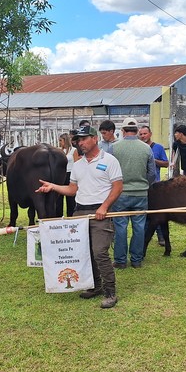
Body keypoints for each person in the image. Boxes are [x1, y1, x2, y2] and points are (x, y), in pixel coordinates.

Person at [34, 125, 123, 309]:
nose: (80, 143)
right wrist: (53, 186)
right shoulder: (78, 164)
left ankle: (110, 292)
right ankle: (96, 286)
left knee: (99, 252)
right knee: (85, 253)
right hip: (80, 212)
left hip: (100, 213)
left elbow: (118, 187)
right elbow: (72, 189)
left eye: (83, 139)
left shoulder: (110, 160)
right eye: (78, 140)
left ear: (95, 139)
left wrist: (104, 207)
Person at [110, 118, 156, 269]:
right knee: (139, 227)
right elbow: (152, 173)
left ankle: (120, 261)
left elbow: (106, 171)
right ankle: (136, 260)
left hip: (120, 194)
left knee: (120, 227)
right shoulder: (146, 148)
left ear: (123, 131)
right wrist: (144, 185)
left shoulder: (113, 148)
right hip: (141, 194)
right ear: (137, 131)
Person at [139, 124, 169, 245]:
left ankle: (161, 237)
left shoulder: (158, 148)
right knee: (145, 214)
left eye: (145, 133)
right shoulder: (138, 148)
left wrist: (152, 160)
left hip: (155, 185)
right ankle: (144, 237)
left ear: (150, 134)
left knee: (158, 213)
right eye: (140, 134)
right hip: (141, 185)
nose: (142, 136)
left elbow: (166, 163)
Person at [57, 133, 76, 217]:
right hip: (61, 174)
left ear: (65, 140)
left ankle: (71, 215)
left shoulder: (73, 150)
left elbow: (77, 163)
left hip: (70, 173)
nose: (60, 142)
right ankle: (58, 216)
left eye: (61, 140)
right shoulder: (59, 151)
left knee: (71, 198)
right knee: (59, 197)